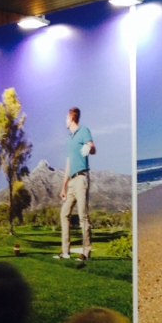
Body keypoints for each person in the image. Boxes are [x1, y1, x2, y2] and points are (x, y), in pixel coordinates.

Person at [60, 106, 95, 261]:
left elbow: (93, 148)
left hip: (81, 179)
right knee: (64, 213)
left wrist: (89, 147)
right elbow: (69, 162)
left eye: (66, 118)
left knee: (83, 216)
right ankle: (65, 252)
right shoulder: (70, 139)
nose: (65, 121)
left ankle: (86, 252)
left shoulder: (84, 131)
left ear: (72, 118)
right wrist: (64, 185)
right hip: (72, 182)